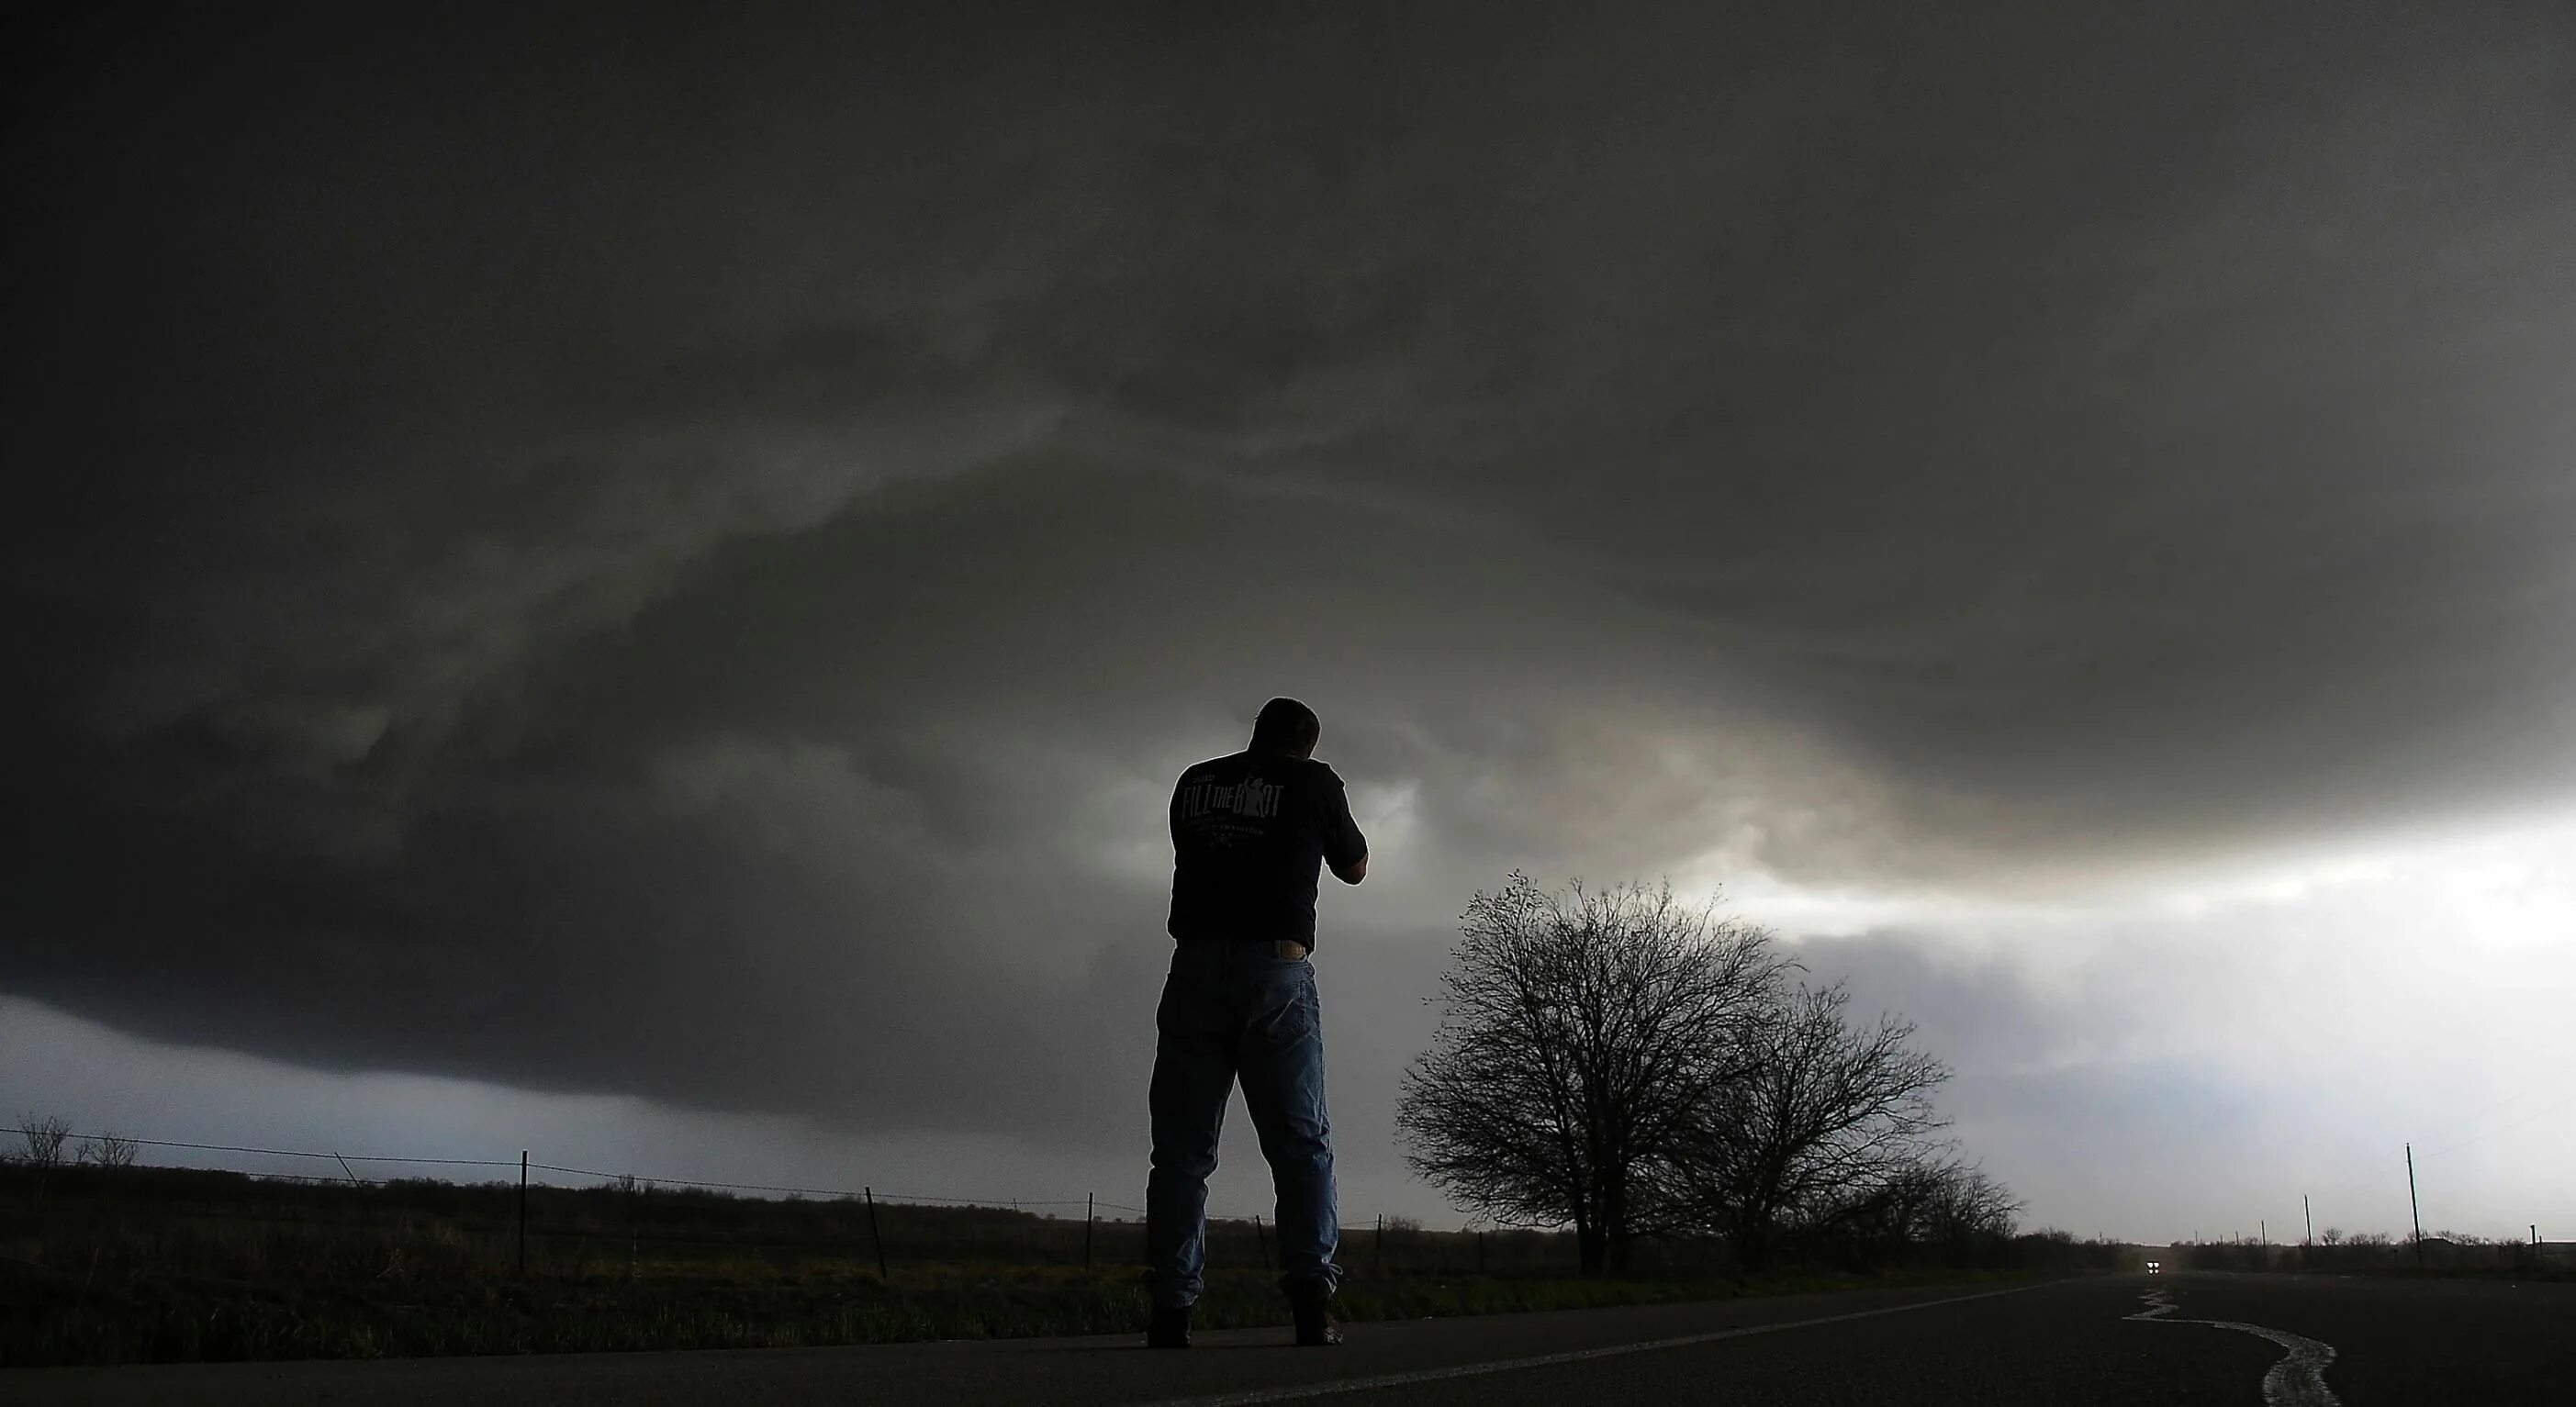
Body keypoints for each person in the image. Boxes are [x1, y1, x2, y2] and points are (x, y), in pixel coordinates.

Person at [1145, 697, 1369, 1349]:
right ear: (1307, 742)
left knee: (1182, 1152)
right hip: (1275, 968)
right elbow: (1353, 867)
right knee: (1301, 1144)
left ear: (1257, 733)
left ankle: (1170, 1310)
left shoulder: (1196, 782)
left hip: (1192, 966)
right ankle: (1310, 1303)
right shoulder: (1314, 781)